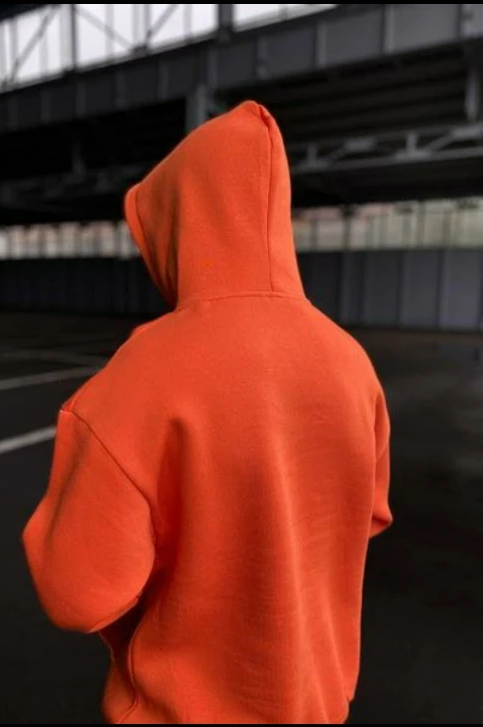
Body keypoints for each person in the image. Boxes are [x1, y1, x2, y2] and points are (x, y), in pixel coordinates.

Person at [23, 101, 392, 724]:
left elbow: (76, 593)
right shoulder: (353, 364)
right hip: (319, 705)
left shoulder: (139, 376)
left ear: (177, 225)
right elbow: (368, 517)